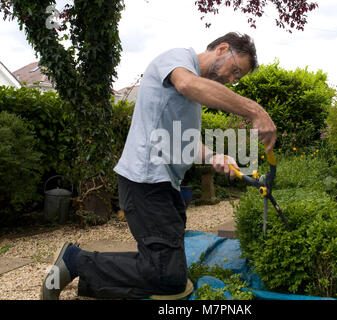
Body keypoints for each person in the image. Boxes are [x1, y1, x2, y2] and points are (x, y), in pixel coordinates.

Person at [40, 32, 277, 300]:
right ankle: (74, 261)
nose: (232, 80)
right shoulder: (178, 60)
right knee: (170, 278)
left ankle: (94, 282)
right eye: (235, 70)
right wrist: (255, 111)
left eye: (238, 78)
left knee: (166, 268)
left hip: (165, 187)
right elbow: (187, 84)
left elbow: (188, 142)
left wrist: (213, 157)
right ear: (222, 48)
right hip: (146, 183)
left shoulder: (194, 93)